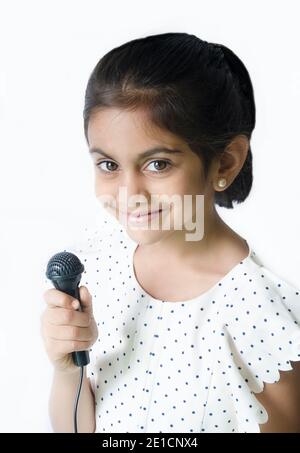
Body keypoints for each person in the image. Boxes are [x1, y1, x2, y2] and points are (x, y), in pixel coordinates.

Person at [40, 32, 300, 433]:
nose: (129, 195)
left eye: (157, 164)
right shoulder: (97, 263)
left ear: (225, 163)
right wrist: (67, 369)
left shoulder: (259, 312)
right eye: (109, 165)